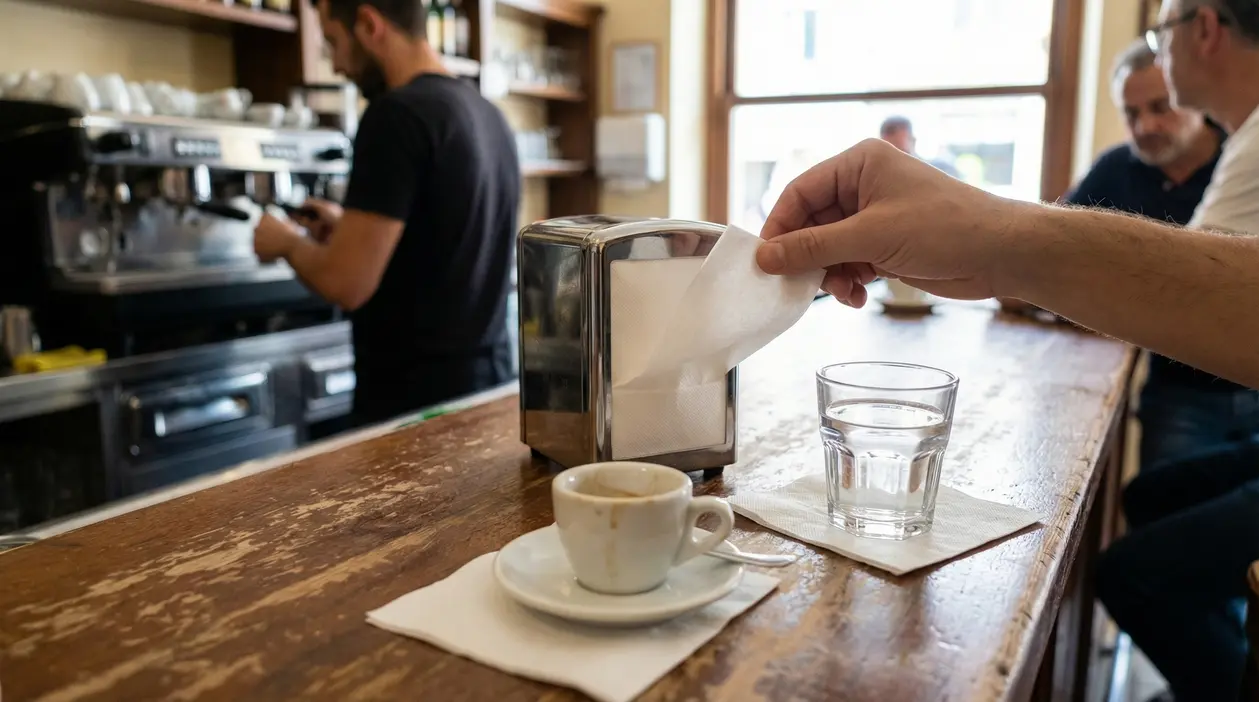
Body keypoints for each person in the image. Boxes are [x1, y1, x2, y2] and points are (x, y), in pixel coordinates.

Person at [253, 0, 520, 426]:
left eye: (333, 43)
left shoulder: (395, 115)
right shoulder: (488, 114)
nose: (337, 65)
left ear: (369, 23)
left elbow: (346, 283)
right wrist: (348, 227)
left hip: (415, 408)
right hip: (488, 386)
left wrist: (285, 242)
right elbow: (447, 238)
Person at [1069, 39, 1259, 472]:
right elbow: (1053, 252)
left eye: (1161, 107)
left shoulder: (1243, 159)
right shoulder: (1115, 169)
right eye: (1131, 114)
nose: (1146, 126)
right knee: (1159, 508)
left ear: (1192, 97)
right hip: (1177, 390)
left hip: (1253, 381)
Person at [878, 115, 960, 178]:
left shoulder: (941, 171)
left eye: (902, 152)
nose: (898, 160)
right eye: (889, 154)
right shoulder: (878, 178)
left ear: (913, 141)